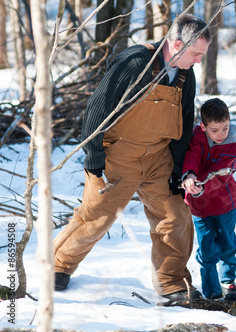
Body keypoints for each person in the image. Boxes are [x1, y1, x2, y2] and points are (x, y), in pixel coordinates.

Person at [52, 14, 211, 307]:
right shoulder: (136, 61)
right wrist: (95, 155)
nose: (199, 60)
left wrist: (179, 167)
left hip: (159, 157)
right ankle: (59, 264)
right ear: (177, 44)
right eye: (196, 54)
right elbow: (97, 106)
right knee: (97, 218)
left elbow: (185, 119)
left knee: (175, 216)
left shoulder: (186, 74)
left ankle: (171, 282)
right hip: (119, 155)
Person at [181, 98, 236, 301]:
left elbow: (221, 173)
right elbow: (193, 157)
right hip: (200, 207)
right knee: (206, 247)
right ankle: (211, 291)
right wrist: (189, 176)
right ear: (203, 127)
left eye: (224, 128)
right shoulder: (196, 138)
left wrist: (201, 185)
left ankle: (228, 281)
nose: (221, 134)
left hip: (226, 203)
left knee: (227, 244)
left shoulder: (231, 144)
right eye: (215, 130)